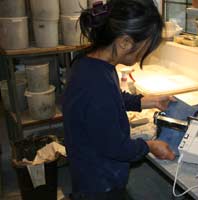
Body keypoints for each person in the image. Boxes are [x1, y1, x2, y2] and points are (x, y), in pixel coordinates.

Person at [62, 0, 175, 199]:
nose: (145, 54)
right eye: (146, 46)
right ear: (124, 42)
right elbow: (117, 147)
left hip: (88, 165)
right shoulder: (95, 83)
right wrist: (149, 145)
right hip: (99, 182)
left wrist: (146, 102)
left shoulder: (91, 63)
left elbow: (111, 98)